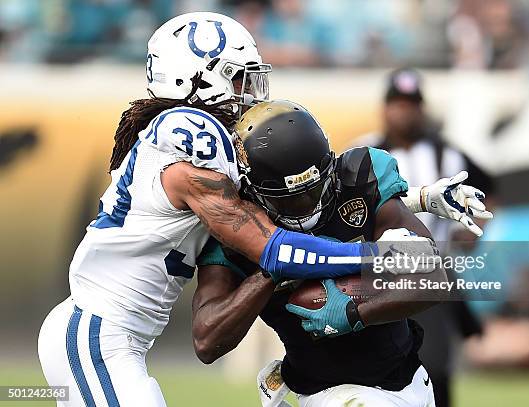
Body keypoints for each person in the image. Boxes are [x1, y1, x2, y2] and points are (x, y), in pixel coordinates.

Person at [37, 13, 392, 407]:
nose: (250, 90)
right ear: (200, 79)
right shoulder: (190, 145)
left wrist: (418, 199)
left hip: (109, 333)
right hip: (97, 332)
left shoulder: (192, 145)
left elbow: (289, 200)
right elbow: (274, 250)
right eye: (239, 77)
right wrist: (374, 256)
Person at [193, 100, 492, 407]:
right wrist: (273, 268)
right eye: (292, 201)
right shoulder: (236, 229)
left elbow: (434, 277)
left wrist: (355, 313)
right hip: (327, 392)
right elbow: (206, 340)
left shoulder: (360, 177)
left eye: (315, 190)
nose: (308, 206)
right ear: (254, 192)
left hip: (407, 380)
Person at [353, 68, 495, 407]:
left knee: (434, 361)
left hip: (432, 268)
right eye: (398, 103)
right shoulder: (362, 152)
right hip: (377, 272)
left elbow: (489, 193)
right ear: (385, 107)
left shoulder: (449, 155)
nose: (404, 112)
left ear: (423, 108)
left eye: (412, 104)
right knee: (375, 362)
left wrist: (473, 230)